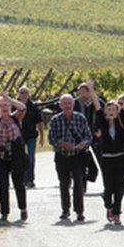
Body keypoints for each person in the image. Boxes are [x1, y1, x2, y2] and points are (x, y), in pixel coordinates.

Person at [0, 88, 28, 224]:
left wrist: (8, 98)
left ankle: (23, 208)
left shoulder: (16, 117)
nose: (5, 108)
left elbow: (23, 107)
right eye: (2, 106)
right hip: (1, 156)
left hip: (16, 156)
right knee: (3, 184)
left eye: (7, 106)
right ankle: (4, 213)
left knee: (19, 184)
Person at [47, 93, 94, 222]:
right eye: (65, 103)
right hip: (61, 155)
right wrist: (61, 144)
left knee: (78, 182)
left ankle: (79, 211)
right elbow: (51, 138)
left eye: (69, 103)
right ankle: (65, 210)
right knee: (64, 183)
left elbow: (89, 136)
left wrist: (83, 143)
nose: (67, 105)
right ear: (61, 105)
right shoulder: (55, 120)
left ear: (73, 104)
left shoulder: (80, 118)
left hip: (77, 156)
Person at [97, 100, 124, 225]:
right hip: (107, 159)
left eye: (114, 109)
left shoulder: (120, 121)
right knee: (108, 186)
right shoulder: (102, 122)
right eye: (109, 109)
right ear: (105, 112)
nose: (111, 112)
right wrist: (91, 90)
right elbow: (97, 106)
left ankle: (117, 212)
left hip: (120, 158)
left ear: (117, 112)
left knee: (119, 187)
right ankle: (109, 205)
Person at [16, 85, 44, 189]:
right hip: (18, 137)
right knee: (21, 157)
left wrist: (42, 136)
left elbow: (40, 123)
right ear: (18, 95)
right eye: (22, 93)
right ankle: (22, 179)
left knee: (31, 158)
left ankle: (30, 180)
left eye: (25, 93)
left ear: (29, 94)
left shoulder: (33, 107)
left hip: (31, 136)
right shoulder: (14, 107)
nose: (24, 95)